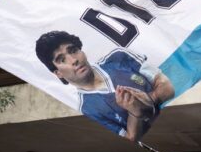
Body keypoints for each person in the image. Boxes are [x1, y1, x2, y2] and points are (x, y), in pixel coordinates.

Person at [35, 30, 175, 141]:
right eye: (62, 59)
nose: (73, 60)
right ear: (58, 73)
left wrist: (147, 101)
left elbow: (167, 87)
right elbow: (131, 137)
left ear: (82, 51)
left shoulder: (119, 57)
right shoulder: (87, 108)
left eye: (73, 50)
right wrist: (135, 113)